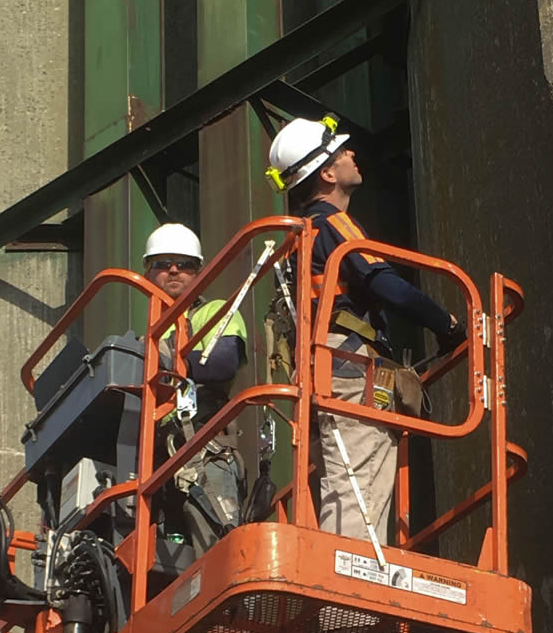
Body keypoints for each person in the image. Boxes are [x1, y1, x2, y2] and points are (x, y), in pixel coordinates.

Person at [265, 116, 466, 543]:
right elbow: (384, 283)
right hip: (349, 365)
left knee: (341, 478)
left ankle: (339, 565)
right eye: (342, 152)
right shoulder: (334, 224)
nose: (353, 154)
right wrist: (445, 324)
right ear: (327, 172)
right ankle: (351, 575)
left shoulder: (298, 238)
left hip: (320, 370)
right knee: (360, 475)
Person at [143, 223, 248, 553]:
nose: (174, 270)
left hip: (203, 446)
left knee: (214, 543)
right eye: (162, 263)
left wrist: (163, 366)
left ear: (199, 271)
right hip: (156, 461)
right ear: (148, 272)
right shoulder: (147, 336)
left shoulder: (213, 312)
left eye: (184, 264)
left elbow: (221, 362)